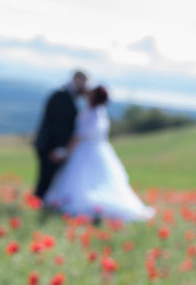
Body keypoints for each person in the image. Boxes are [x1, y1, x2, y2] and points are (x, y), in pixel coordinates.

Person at [44, 86, 155, 222]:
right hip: (99, 151)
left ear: (94, 97)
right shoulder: (101, 113)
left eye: (91, 93)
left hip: (85, 152)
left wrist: (65, 152)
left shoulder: (91, 114)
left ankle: (85, 207)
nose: (88, 94)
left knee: (81, 180)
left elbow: (78, 137)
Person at [33, 70, 88, 200]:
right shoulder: (62, 96)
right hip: (50, 146)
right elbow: (59, 125)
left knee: (49, 179)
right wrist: (58, 148)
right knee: (46, 179)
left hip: (51, 145)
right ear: (76, 79)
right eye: (83, 82)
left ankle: (39, 203)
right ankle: (36, 204)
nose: (84, 86)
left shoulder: (67, 95)